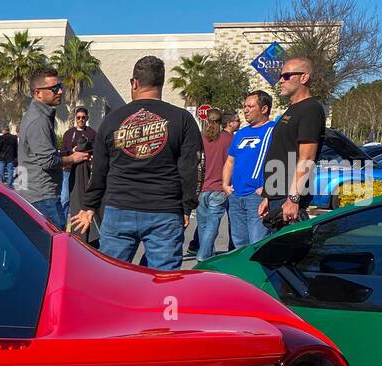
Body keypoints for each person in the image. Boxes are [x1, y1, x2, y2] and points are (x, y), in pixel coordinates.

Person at [70, 55, 200, 271]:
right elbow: (192, 167)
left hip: (119, 207)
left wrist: (89, 206)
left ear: (135, 83)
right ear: (161, 83)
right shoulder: (182, 119)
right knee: (162, 281)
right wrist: (187, 205)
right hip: (165, 211)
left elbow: (100, 169)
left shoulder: (112, 120)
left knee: (111, 278)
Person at [260, 56, 326, 231]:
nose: (280, 80)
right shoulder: (292, 109)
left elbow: (307, 157)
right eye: (280, 76)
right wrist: (269, 195)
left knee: (287, 256)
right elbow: (283, 151)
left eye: (286, 76)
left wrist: (293, 199)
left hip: (290, 198)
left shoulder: (310, 109)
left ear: (304, 77)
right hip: (278, 195)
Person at [19, 69, 90, 229]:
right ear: (38, 93)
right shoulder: (39, 119)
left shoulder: (37, 116)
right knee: (53, 248)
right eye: (54, 88)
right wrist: (73, 158)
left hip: (37, 194)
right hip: (42, 196)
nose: (60, 91)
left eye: (60, 86)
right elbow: (47, 160)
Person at [223, 91, 275, 249]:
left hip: (257, 198)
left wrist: (269, 190)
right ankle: (242, 274)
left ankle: (257, 274)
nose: (245, 110)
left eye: (250, 106)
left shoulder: (274, 131)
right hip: (235, 196)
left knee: (257, 245)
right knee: (239, 245)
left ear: (264, 108)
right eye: (244, 106)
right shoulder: (241, 133)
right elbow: (230, 160)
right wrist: (225, 184)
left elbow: (285, 161)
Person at [195, 107, 233, 261]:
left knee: (203, 224)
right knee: (212, 224)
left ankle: (206, 252)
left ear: (207, 120)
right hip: (219, 186)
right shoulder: (228, 139)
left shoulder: (200, 138)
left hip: (201, 187)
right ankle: (204, 254)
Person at [62, 107, 96, 222]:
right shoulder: (68, 133)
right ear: (75, 118)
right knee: (65, 198)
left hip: (85, 172)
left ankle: (83, 221)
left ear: (87, 118)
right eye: (78, 117)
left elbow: (96, 150)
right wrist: (73, 151)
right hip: (69, 170)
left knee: (83, 198)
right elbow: (63, 151)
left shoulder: (92, 133)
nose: (81, 120)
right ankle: (63, 225)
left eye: (83, 117)